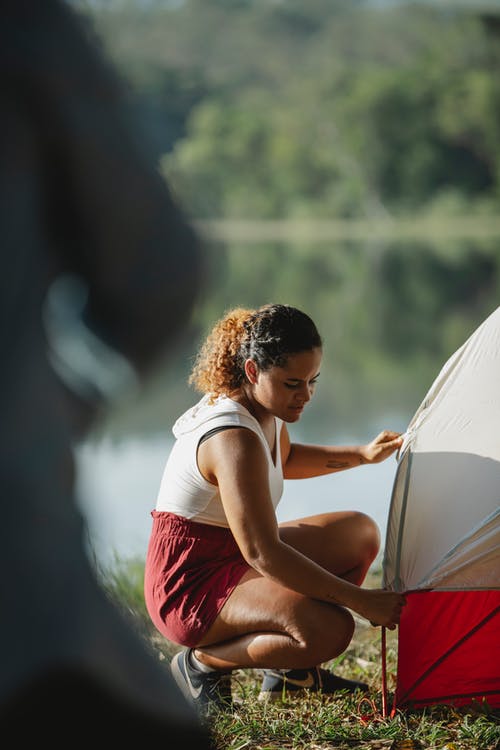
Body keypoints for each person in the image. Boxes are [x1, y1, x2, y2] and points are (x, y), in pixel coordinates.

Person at [0, 0, 213, 745]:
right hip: (28, 614)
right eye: (296, 381)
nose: (305, 396)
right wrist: (63, 402)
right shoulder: (24, 24)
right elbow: (159, 272)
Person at [144, 303, 407, 715]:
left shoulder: (268, 407)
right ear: (252, 371)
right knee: (330, 630)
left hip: (232, 556)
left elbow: (286, 459)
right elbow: (263, 553)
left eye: (312, 381)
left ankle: (291, 674)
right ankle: (202, 664)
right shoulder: (232, 437)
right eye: (292, 384)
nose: (305, 395)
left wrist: (362, 454)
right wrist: (360, 601)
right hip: (190, 585)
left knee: (359, 533)